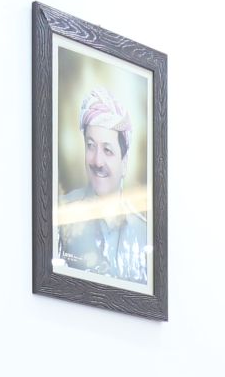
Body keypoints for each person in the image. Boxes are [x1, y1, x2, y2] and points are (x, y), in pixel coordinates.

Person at [53, 85, 152, 284]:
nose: (97, 161)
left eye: (107, 150)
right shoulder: (61, 216)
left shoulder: (145, 234)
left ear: (124, 162)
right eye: (90, 146)